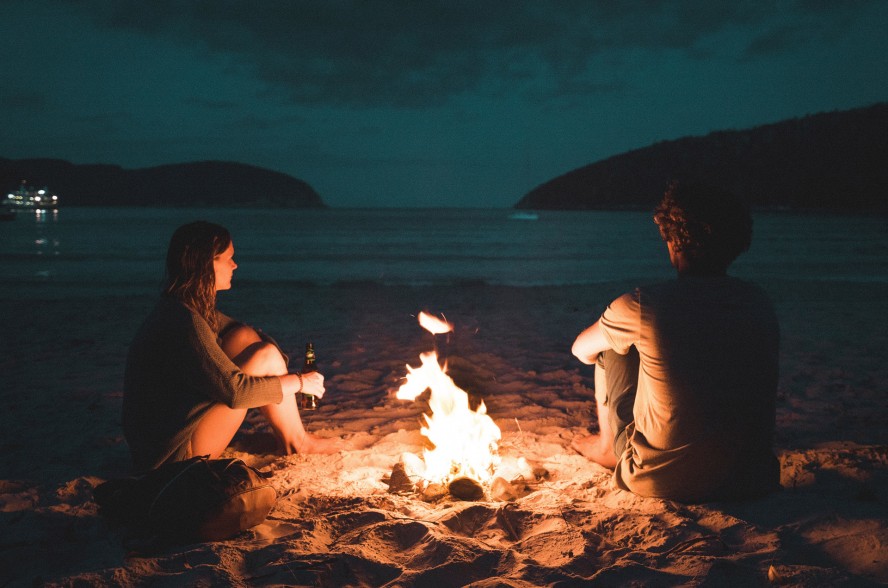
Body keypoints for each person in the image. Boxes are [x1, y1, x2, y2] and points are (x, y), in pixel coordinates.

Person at [571, 182, 781, 503]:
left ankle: (606, 446)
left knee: (611, 347)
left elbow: (580, 350)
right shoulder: (758, 301)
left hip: (662, 480)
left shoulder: (645, 304)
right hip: (752, 478)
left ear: (673, 243)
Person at [123, 221, 340, 472]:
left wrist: (276, 366)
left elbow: (257, 341)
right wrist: (301, 382)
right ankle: (298, 441)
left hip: (160, 442)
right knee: (265, 357)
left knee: (244, 337)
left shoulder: (182, 307)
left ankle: (294, 437)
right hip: (173, 458)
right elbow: (237, 393)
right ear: (206, 264)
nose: (235, 265)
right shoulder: (185, 322)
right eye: (228, 258)